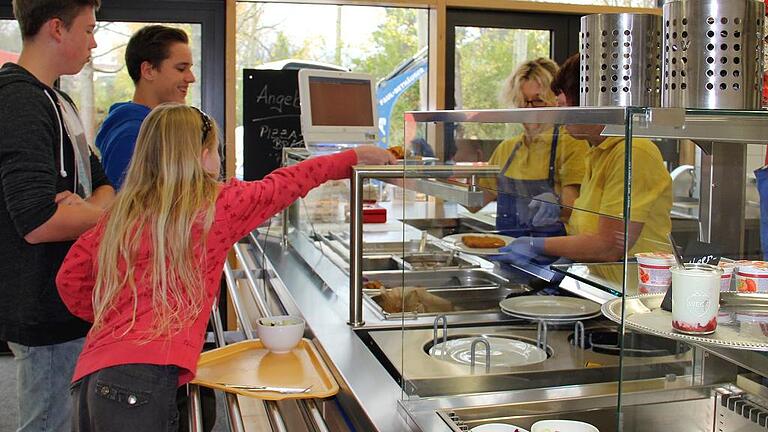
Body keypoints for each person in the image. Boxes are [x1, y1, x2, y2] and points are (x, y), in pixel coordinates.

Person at [56, 103, 394, 431]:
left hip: (91, 377)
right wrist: (353, 158)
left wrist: (119, 317)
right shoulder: (218, 206)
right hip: (143, 382)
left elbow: (69, 278)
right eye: (217, 149)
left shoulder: (121, 213)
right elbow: (289, 182)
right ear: (203, 156)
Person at [0, 1, 115, 431]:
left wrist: (83, 209)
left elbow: (104, 183)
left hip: (71, 299)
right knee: (48, 421)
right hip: (43, 305)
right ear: (56, 29)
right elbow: (38, 221)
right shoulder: (19, 101)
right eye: (88, 30)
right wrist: (102, 214)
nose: (94, 41)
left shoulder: (59, 100)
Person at [493, 54, 672, 266]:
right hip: (593, 287)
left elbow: (608, 246)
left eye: (563, 95)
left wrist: (536, 245)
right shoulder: (596, 153)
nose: (558, 104)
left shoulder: (634, 152)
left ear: (592, 101)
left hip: (631, 293)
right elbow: (586, 230)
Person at [479, 57, 588, 237]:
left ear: (556, 102)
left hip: (553, 256)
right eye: (522, 102)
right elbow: (476, 201)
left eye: (538, 101)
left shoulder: (571, 144)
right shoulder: (507, 148)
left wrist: (555, 205)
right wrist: (436, 175)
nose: (529, 110)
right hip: (507, 250)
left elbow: (572, 208)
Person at [96, 25, 196, 189]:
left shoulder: (156, 127)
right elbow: (130, 208)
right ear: (148, 71)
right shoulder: (132, 135)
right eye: (181, 68)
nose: (191, 78)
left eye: (189, 69)